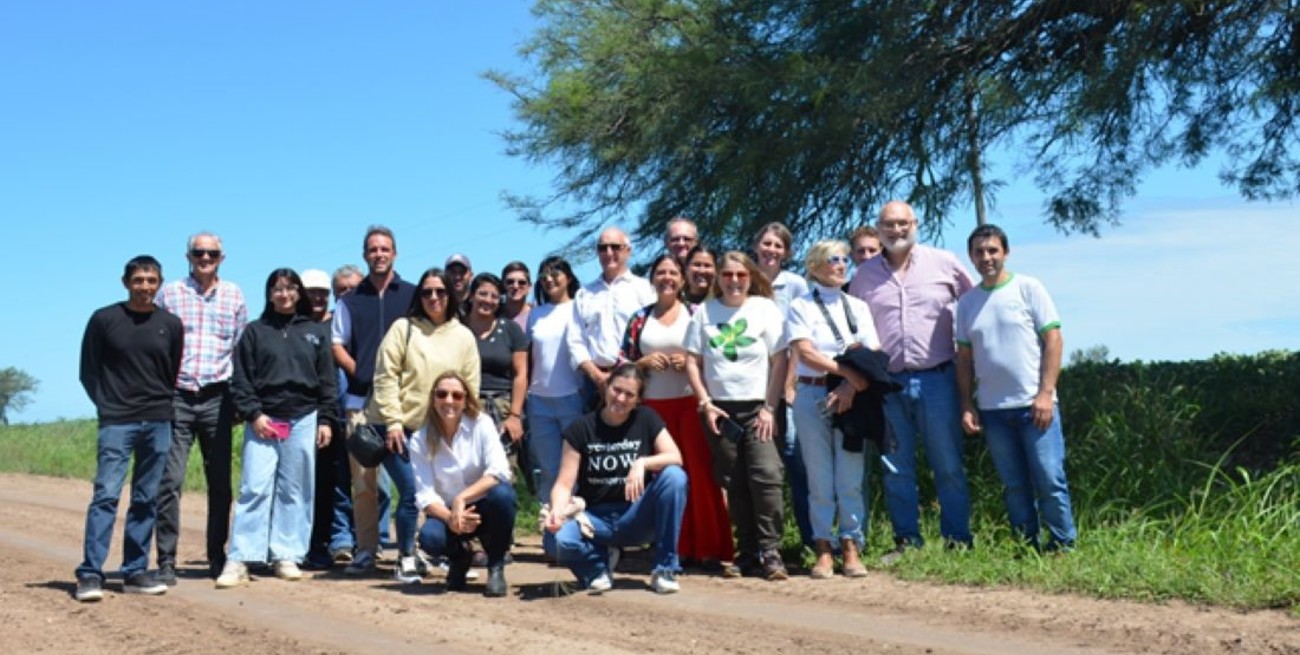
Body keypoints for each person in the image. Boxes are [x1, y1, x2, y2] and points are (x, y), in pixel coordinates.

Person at [848, 200, 975, 559]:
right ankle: (907, 542)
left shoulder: (944, 263)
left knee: (947, 464)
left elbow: (974, 307)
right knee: (895, 466)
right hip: (887, 385)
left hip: (938, 378)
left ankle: (958, 541)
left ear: (916, 223)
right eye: (888, 224)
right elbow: (854, 329)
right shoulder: (864, 276)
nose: (896, 230)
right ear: (879, 227)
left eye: (903, 223)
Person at [956, 224, 1077, 551]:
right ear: (971, 257)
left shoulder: (1029, 288)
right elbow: (964, 358)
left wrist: (1045, 393)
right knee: (1014, 485)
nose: (986, 257)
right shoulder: (966, 304)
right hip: (994, 411)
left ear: (1005, 252)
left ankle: (1063, 546)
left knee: (1050, 480)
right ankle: (1027, 545)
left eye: (993, 250)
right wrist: (967, 403)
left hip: (1034, 406)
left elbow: (1054, 339)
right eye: (979, 252)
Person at [216, 269, 337, 588]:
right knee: (254, 487)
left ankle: (287, 554)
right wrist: (254, 414)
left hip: (303, 417)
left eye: (290, 288)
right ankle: (240, 557)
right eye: (277, 289)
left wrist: (326, 419)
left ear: (299, 293)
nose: (284, 294)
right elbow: (240, 379)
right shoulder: (255, 331)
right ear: (269, 294)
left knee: (295, 489)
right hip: (265, 418)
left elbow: (327, 381)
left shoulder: (314, 332)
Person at [75, 255, 184, 601]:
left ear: (160, 284)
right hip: (117, 421)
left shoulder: (171, 323)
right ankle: (91, 573)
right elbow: (88, 372)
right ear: (126, 283)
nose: (145, 287)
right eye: (138, 280)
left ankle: (135, 571)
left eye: (151, 281)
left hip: (158, 419)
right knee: (106, 495)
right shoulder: (104, 319)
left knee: (146, 498)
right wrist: (108, 405)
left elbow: (172, 369)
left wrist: (159, 407)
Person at [365, 267, 481, 583]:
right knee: (412, 492)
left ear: (450, 295)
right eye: (427, 292)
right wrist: (392, 422)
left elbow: (470, 385)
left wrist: (466, 427)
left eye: (440, 291)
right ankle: (404, 557)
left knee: (445, 495)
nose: (434, 298)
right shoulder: (403, 329)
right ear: (419, 296)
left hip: (442, 432)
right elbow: (385, 376)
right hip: (399, 428)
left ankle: (444, 554)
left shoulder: (463, 336)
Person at [621, 254, 733, 567]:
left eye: (673, 272)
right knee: (666, 479)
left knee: (700, 477)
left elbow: (719, 355)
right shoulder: (639, 319)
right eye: (661, 273)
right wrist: (641, 364)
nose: (667, 278)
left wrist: (692, 363)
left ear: (682, 279)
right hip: (653, 410)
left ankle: (709, 547)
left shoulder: (697, 314)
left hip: (691, 405)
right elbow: (621, 363)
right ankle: (674, 547)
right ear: (652, 279)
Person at [684, 251, 790, 580]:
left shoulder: (764, 309)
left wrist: (770, 408)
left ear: (750, 278)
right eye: (727, 275)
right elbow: (692, 359)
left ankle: (771, 550)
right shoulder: (704, 313)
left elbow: (780, 360)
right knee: (735, 480)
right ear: (718, 278)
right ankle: (747, 552)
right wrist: (705, 403)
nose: (734, 281)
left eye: (740, 275)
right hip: (720, 410)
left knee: (766, 476)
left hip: (759, 408)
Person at [155, 231, 247, 583]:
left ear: (222, 257)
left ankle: (216, 555)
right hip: (177, 396)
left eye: (211, 253)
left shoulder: (234, 295)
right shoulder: (171, 293)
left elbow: (240, 352)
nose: (205, 258)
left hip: (218, 398)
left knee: (220, 484)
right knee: (170, 481)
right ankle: (166, 559)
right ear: (188, 256)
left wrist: (239, 399)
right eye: (199, 253)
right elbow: (157, 344)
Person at [547, 364, 687, 594]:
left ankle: (665, 569)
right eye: (616, 390)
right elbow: (564, 484)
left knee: (674, 477)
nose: (620, 398)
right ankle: (597, 567)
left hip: (637, 515)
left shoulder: (647, 419)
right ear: (606, 388)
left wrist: (642, 462)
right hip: (595, 520)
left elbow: (675, 457)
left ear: (638, 400)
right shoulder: (580, 428)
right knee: (558, 539)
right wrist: (557, 511)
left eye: (629, 394)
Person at [788, 240, 882, 578]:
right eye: (833, 259)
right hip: (813, 395)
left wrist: (850, 386)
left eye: (844, 259)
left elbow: (872, 350)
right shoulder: (800, 306)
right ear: (815, 265)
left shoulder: (857, 306)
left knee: (850, 474)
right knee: (819, 475)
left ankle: (851, 544)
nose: (842, 265)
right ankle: (823, 547)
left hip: (853, 399)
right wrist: (846, 374)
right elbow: (806, 352)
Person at [332, 226, 418, 575]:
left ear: (395, 253)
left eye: (385, 248)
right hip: (361, 403)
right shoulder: (350, 300)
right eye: (373, 249)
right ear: (365, 255)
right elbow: (337, 343)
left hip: (408, 403)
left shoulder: (412, 295)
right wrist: (363, 371)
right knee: (365, 483)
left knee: (415, 482)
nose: (379, 254)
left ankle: (412, 549)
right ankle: (367, 549)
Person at [410, 372, 517, 597]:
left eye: (457, 395)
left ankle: (496, 565)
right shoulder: (420, 439)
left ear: (466, 399)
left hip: (484, 506)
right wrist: (451, 518)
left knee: (504, 496)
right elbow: (425, 495)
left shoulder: (482, 424)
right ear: (433, 399)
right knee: (430, 538)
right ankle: (459, 557)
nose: (449, 400)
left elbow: (500, 470)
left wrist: (462, 499)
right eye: (442, 394)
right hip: (446, 513)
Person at [752, 222, 813, 551]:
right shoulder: (744, 281)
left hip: (790, 385)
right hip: (752, 385)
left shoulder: (796, 285)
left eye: (778, 245)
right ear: (756, 247)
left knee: (796, 462)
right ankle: (762, 543)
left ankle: (810, 540)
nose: (771, 250)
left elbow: (798, 342)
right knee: (761, 467)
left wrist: (788, 388)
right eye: (766, 243)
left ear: (786, 252)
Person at [525, 255, 586, 559]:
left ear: (569, 277)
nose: (549, 279)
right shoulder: (535, 315)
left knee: (574, 473)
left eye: (555, 273)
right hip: (539, 403)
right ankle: (552, 540)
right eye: (544, 275)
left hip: (573, 398)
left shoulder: (580, 308)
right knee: (548, 471)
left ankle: (575, 536)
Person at [567, 227, 655, 405]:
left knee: (635, 432)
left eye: (615, 247)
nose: (608, 253)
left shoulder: (645, 289)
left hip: (635, 377)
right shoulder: (585, 293)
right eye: (602, 248)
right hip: (595, 382)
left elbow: (652, 332)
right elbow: (575, 340)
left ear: (628, 251)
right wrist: (597, 376)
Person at [463, 273, 528, 457]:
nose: (488, 300)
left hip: (503, 407)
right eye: (483, 294)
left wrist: (514, 416)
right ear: (471, 295)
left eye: (494, 296)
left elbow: (520, 374)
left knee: (503, 472)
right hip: (467, 407)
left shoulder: (510, 329)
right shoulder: (457, 329)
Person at [500, 261, 533, 332]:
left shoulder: (537, 316)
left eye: (522, 282)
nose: (515, 286)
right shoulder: (494, 315)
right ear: (503, 285)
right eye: (510, 282)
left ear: (529, 287)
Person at [682, 244, 717, 308]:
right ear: (686, 268)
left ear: (715, 270)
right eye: (697, 265)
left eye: (707, 266)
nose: (702, 271)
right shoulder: (675, 299)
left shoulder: (723, 300)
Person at [446, 253, 474, 318]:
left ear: (471, 276)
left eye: (462, 272)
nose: (457, 277)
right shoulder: (440, 303)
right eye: (453, 272)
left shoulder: (478, 304)